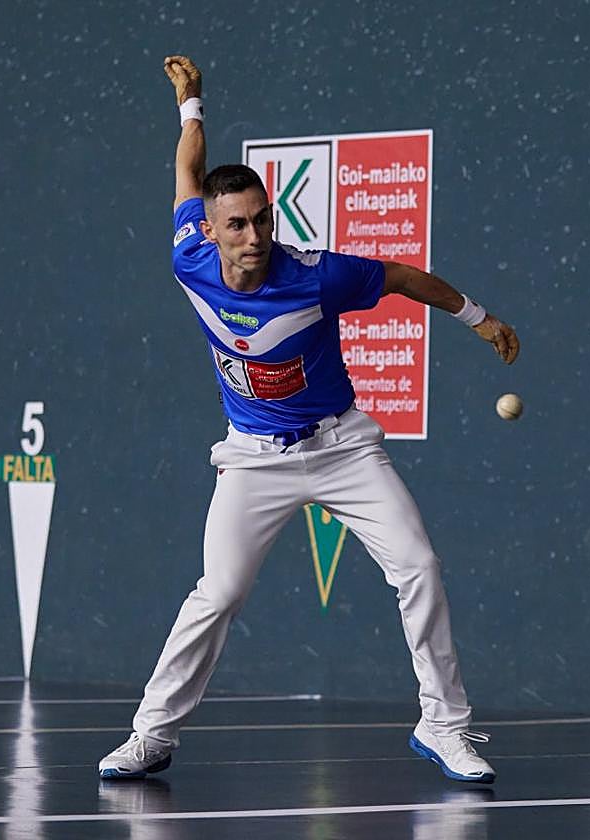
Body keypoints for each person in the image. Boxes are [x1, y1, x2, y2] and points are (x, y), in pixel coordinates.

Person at [98, 55, 518, 785]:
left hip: (341, 447)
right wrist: (191, 103)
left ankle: (444, 726)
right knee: (218, 592)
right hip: (252, 457)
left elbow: (402, 277)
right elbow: (187, 170)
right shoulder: (187, 256)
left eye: (262, 218)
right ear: (211, 230)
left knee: (419, 567)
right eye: (238, 224)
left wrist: (479, 319)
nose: (255, 235)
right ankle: (151, 735)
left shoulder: (318, 274)